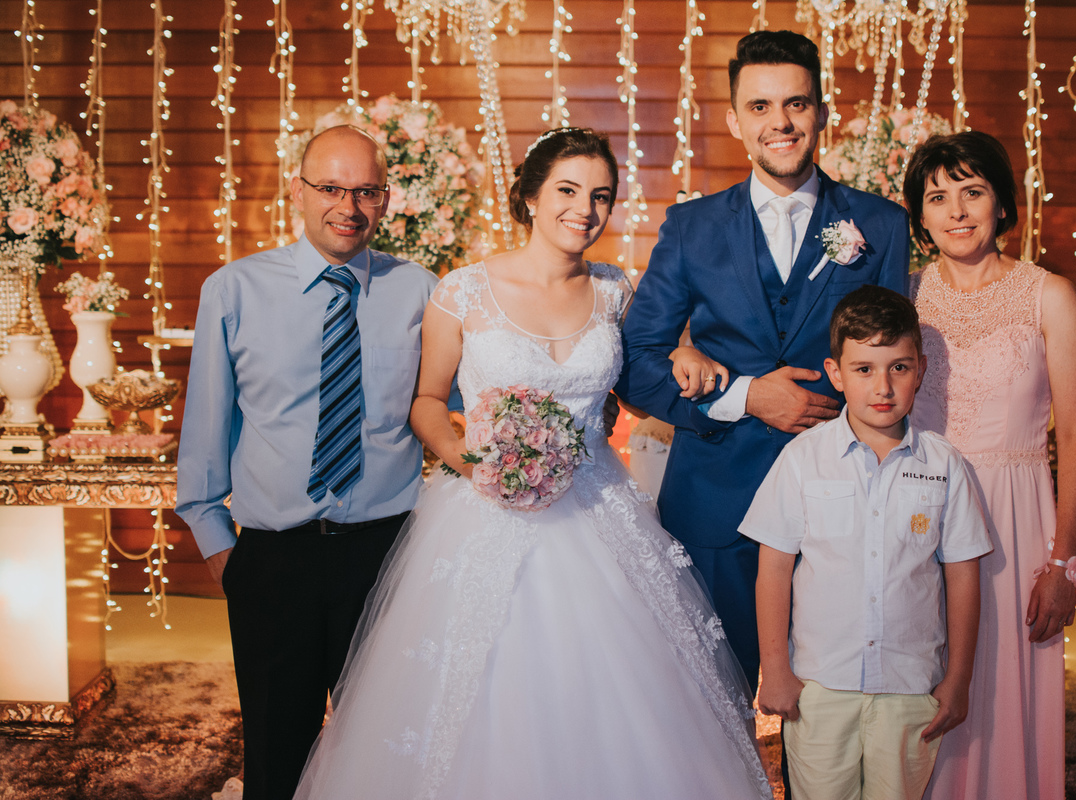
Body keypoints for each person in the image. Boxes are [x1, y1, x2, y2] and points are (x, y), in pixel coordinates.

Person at [292, 127, 772, 800]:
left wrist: (684, 350)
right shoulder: (462, 292)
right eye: (568, 190)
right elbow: (427, 402)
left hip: (598, 503)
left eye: (600, 196)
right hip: (485, 510)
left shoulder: (616, 290)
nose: (585, 209)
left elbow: (649, 359)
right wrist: (473, 461)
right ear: (530, 197)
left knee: (621, 690)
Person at [616, 29, 910, 690]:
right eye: (760, 106)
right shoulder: (691, 228)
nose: (780, 122)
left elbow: (895, 365)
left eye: (796, 104)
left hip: (840, 505)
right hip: (715, 503)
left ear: (822, 113)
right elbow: (635, 361)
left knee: (834, 705)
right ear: (734, 121)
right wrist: (746, 395)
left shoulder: (881, 225)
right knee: (713, 708)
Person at [175, 125, 438, 800]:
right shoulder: (232, 291)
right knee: (275, 758)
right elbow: (204, 436)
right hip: (274, 560)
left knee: (386, 758)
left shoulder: (422, 293)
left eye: (366, 191)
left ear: (386, 200)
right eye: (330, 188)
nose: (348, 207)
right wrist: (227, 557)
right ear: (297, 191)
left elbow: (459, 407)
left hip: (387, 557)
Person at [741, 285, 992, 800]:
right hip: (820, 688)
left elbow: (963, 576)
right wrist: (777, 671)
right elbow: (774, 570)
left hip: (910, 686)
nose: (883, 386)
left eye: (899, 367)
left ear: (920, 370)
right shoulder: (802, 459)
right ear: (835, 373)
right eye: (863, 369)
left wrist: (958, 679)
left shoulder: (945, 465)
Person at [903, 130, 1076, 800]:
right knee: (919, 693)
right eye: (938, 197)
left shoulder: (1050, 296)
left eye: (973, 192)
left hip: (1014, 526)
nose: (956, 211)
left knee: (1003, 694)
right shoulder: (904, 298)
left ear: (1002, 204)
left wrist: (1063, 563)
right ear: (920, 216)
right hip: (921, 517)